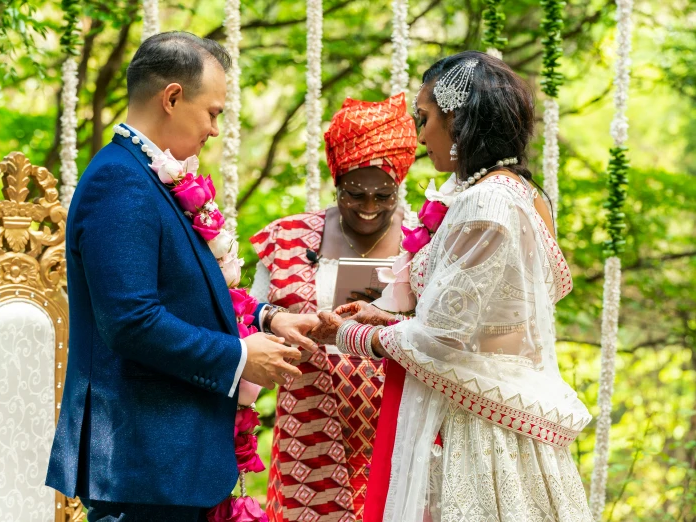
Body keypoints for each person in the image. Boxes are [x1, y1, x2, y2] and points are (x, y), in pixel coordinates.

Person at [45, 32, 317, 522]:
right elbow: (131, 320)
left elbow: (185, 292)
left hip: (172, 462)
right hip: (145, 460)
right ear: (171, 97)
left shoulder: (151, 175)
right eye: (213, 112)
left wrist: (268, 318)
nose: (215, 129)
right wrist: (237, 356)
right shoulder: (119, 182)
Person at [311, 51, 593, 522]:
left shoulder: (485, 205)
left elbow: (438, 340)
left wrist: (346, 335)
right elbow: (488, 321)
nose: (421, 135)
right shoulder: (524, 195)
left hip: (481, 431)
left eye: (425, 118)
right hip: (501, 414)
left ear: (458, 119)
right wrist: (389, 318)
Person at [249, 93, 418, 522]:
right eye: (354, 194)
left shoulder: (426, 239)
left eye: (383, 196)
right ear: (336, 179)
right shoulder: (288, 238)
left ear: (399, 184)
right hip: (308, 442)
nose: (368, 208)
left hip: (400, 437)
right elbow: (250, 323)